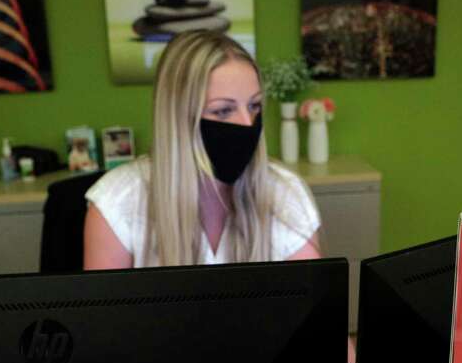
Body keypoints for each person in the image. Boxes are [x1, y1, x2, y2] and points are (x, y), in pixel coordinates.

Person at [83, 31, 321, 269]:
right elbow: (108, 305)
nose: (248, 124)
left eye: (254, 106)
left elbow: (311, 300)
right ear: (178, 118)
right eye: (223, 111)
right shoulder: (118, 201)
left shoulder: (285, 194)